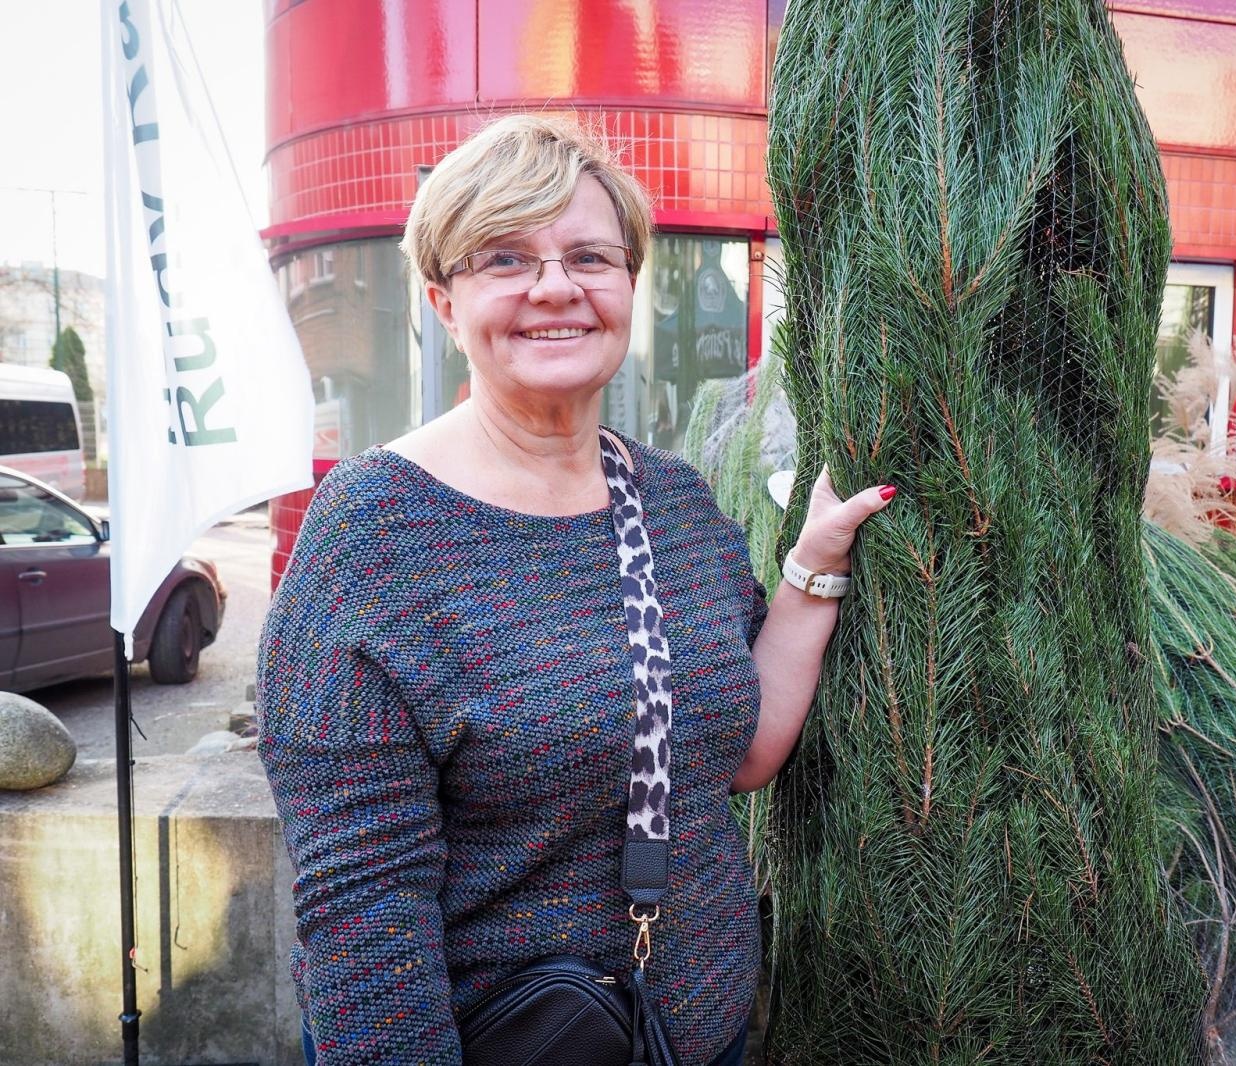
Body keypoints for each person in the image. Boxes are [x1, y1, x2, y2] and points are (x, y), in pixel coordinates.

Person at [256, 113, 894, 1066]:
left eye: (590, 257)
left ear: (630, 285)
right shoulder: (373, 532)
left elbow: (742, 752)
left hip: (698, 1034)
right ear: (442, 300)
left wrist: (816, 563)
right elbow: (362, 908)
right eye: (504, 259)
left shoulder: (672, 499)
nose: (555, 287)